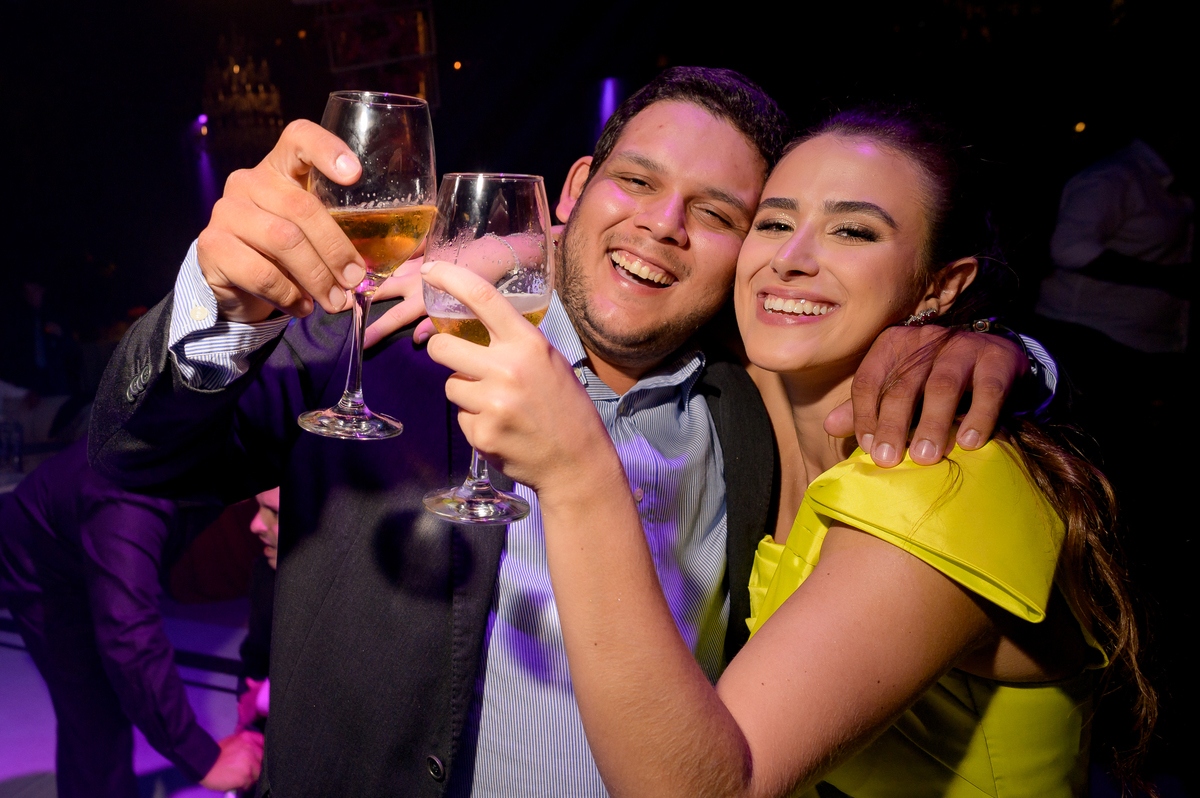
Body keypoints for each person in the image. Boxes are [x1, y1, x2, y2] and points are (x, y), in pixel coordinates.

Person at [89, 69, 1041, 796]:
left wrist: (1014, 355)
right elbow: (135, 454)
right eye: (637, 182)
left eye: (719, 214)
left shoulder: (755, 406)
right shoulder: (391, 342)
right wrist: (222, 299)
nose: (663, 225)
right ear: (575, 188)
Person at [418, 106, 1153, 797]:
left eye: (853, 232)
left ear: (942, 285)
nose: (792, 260)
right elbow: (642, 259)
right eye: (773, 223)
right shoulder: (758, 390)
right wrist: (493, 250)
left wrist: (578, 473)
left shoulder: (943, 481)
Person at [0, 438, 264, 797]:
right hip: (43, 559)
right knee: (94, 713)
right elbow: (129, 634)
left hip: (95, 525)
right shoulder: (130, 496)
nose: (259, 524)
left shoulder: (231, 453)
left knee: (115, 687)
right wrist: (203, 759)